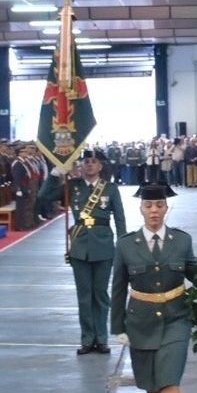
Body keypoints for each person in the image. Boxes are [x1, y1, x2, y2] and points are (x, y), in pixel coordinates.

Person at [109, 183, 197, 393]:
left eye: (159, 205)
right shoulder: (126, 245)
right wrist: (118, 326)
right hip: (141, 322)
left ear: (166, 208)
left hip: (176, 317)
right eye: (149, 206)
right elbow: (118, 287)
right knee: (151, 384)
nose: (154, 211)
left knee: (169, 379)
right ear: (141, 209)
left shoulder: (181, 241)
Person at [43, 151, 126, 355]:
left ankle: (102, 338)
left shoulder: (110, 188)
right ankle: (87, 339)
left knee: (101, 295)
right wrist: (56, 173)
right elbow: (44, 196)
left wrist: (123, 246)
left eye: (93, 161)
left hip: (103, 245)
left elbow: (120, 218)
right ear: (81, 165)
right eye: (86, 161)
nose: (89, 164)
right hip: (80, 246)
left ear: (100, 166)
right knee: (84, 296)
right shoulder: (73, 186)